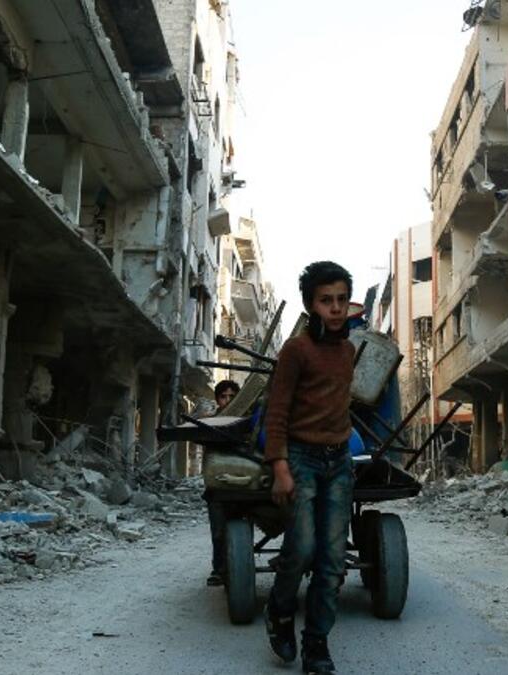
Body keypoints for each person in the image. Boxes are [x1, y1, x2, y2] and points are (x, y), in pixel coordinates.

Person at [262, 261, 355, 675]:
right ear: (310, 305)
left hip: (339, 462)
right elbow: (277, 412)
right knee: (300, 549)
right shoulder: (296, 350)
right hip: (300, 458)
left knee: (333, 559)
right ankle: (279, 611)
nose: (335, 309)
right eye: (325, 301)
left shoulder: (349, 351)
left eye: (340, 300)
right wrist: (280, 466)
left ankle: (316, 644)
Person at [204, 380, 241, 586]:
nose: (227, 400)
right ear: (217, 400)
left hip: (244, 484)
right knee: (218, 531)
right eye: (223, 396)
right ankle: (219, 569)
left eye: (232, 396)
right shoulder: (209, 423)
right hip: (218, 486)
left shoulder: (247, 420)